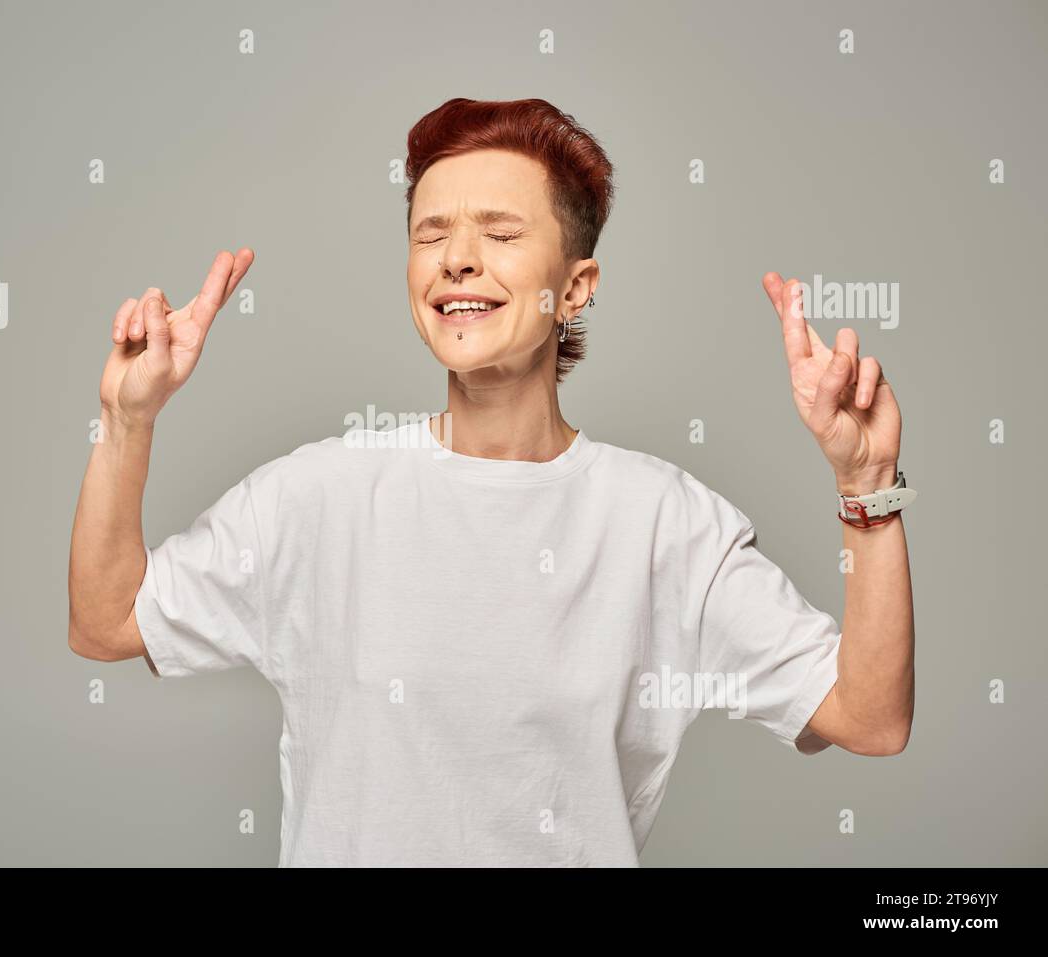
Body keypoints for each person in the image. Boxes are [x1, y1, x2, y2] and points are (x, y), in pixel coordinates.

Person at [67, 97, 916, 867]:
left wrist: (868, 484)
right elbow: (106, 621)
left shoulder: (664, 524)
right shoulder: (320, 495)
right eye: (430, 235)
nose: (458, 261)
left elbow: (869, 717)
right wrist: (127, 420)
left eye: (501, 235)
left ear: (575, 287)